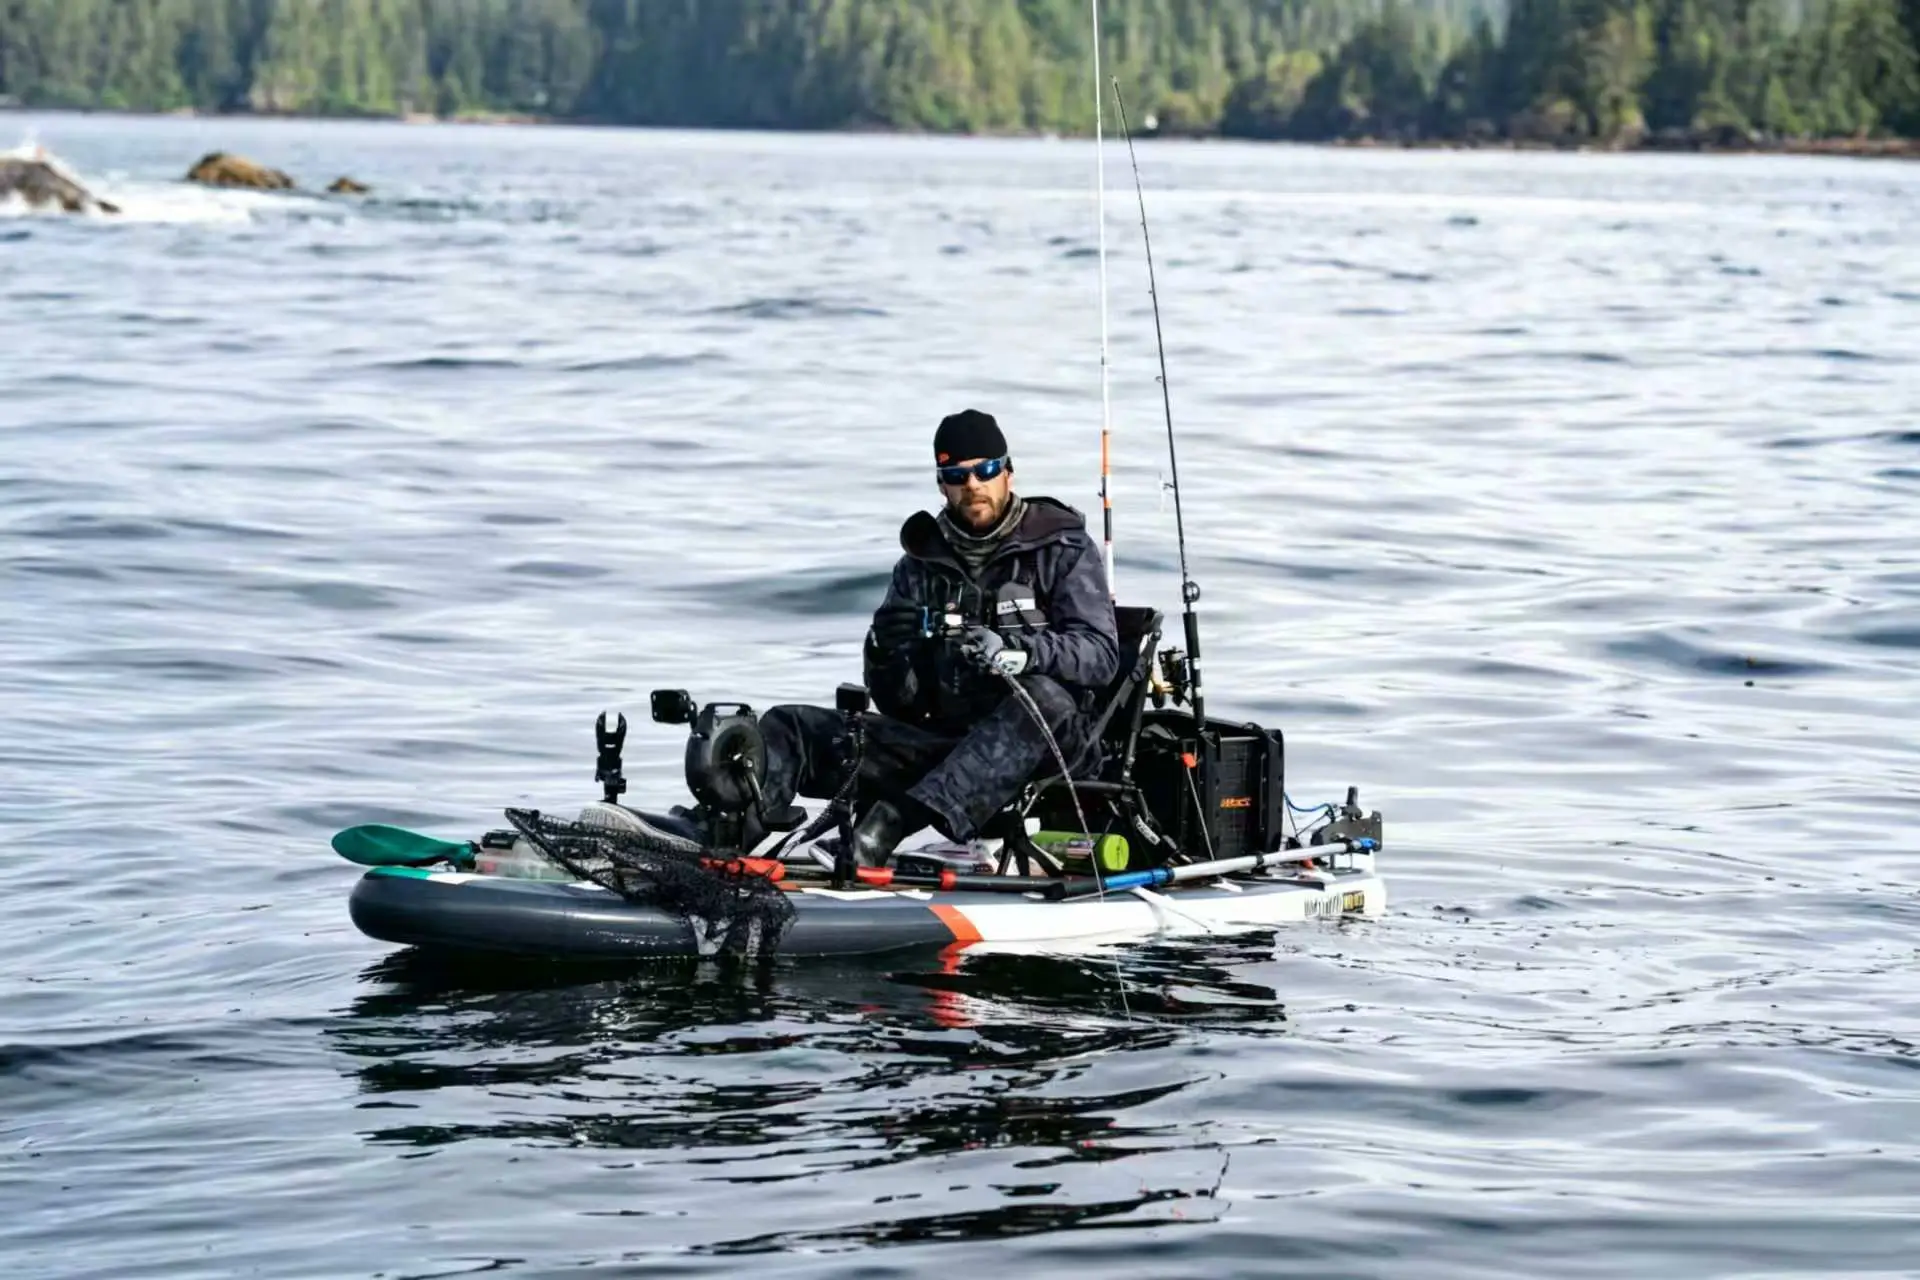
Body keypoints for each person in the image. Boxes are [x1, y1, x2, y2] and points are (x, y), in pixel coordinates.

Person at [643, 409, 1121, 867]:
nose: (972, 484)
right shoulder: (919, 563)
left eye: (985, 470)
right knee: (791, 726)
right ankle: (719, 836)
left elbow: (1101, 655)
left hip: (1047, 752)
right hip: (946, 745)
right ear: (942, 484)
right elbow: (898, 704)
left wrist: (1020, 653)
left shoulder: (1061, 547)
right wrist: (886, 651)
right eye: (956, 476)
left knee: (1043, 698)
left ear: (1008, 474)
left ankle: (886, 829)